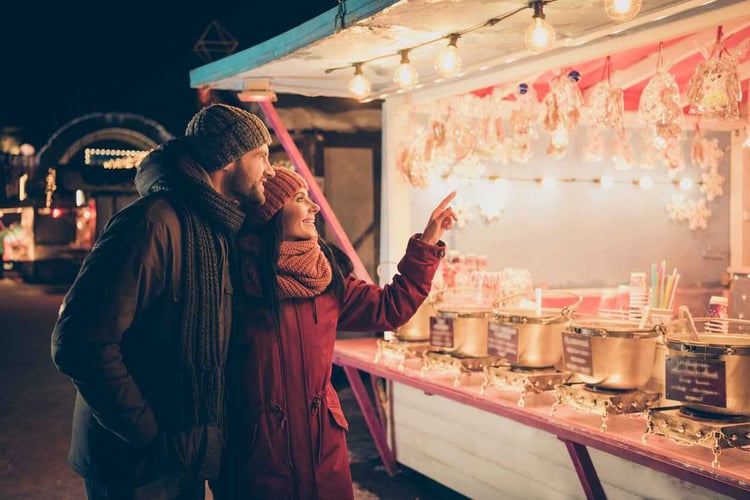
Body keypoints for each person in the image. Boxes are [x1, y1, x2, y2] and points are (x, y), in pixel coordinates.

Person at [51, 103, 276, 500]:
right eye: (261, 156)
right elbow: (80, 343)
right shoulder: (151, 224)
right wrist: (150, 436)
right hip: (134, 467)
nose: (270, 170)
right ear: (228, 160)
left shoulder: (214, 228)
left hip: (181, 458)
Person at [213, 167, 457, 499]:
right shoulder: (231, 278)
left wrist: (426, 244)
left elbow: (390, 308)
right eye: (300, 199)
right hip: (259, 455)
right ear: (270, 213)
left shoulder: (326, 275)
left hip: (323, 451)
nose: (314, 207)